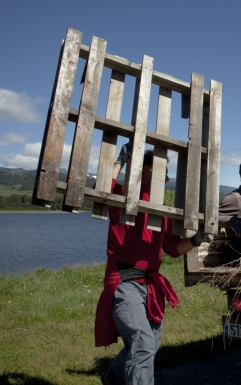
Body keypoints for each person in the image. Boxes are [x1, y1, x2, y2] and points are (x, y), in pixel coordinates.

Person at [95, 147, 209, 385]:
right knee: (143, 343)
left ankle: (113, 378)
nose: (167, 179)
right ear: (147, 171)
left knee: (150, 344)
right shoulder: (123, 197)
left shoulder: (160, 210)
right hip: (125, 283)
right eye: (163, 173)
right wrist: (121, 161)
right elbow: (103, 187)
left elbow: (171, 247)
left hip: (148, 286)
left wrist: (196, 240)